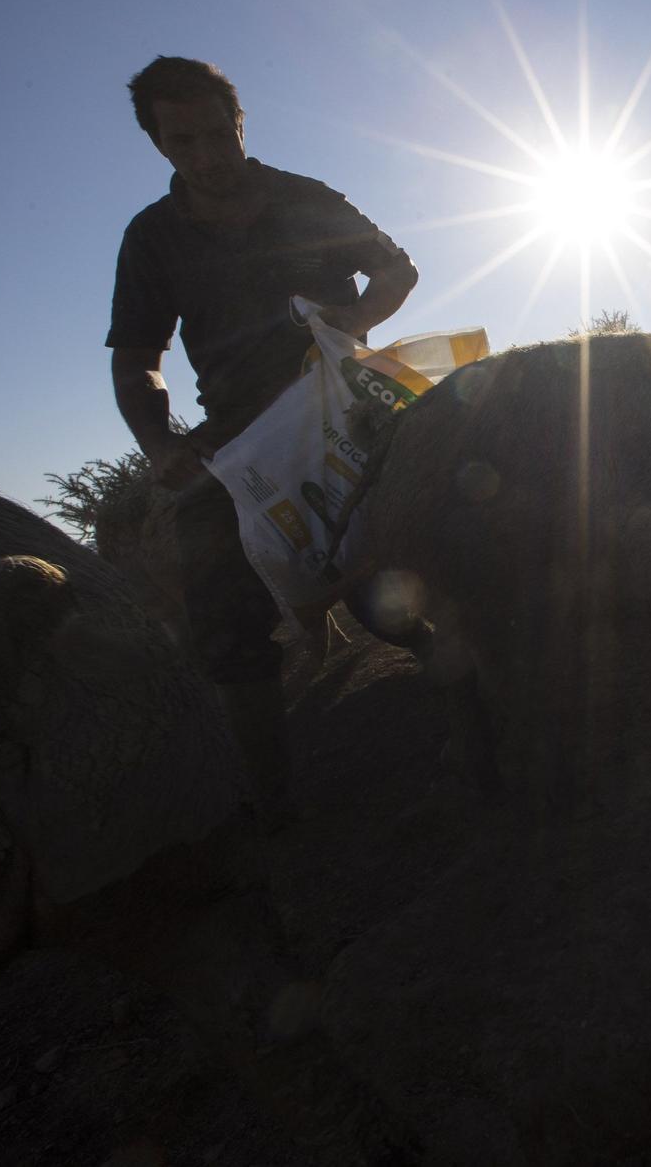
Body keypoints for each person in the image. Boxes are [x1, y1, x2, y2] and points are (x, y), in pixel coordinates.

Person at [107, 56, 419, 824]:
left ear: (241, 121)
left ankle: (484, 681)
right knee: (214, 580)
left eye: (221, 133)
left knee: (408, 560)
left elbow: (396, 269)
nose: (209, 156)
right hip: (240, 432)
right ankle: (273, 802)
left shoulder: (306, 198)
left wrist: (354, 319)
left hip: (346, 403)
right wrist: (159, 442)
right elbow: (137, 358)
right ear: (158, 144)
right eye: (185, 141)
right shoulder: (151, 238)